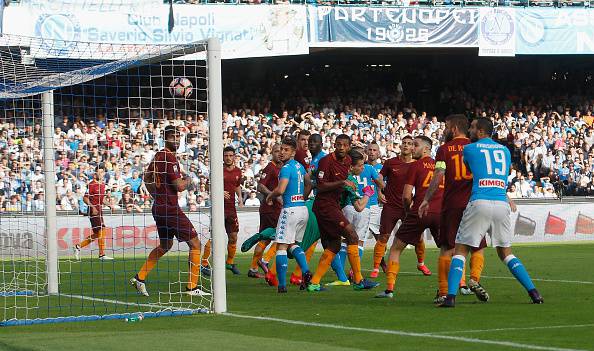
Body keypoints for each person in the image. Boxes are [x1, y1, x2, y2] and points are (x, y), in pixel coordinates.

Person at [440, 118, 543, 307]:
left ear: (480, 131)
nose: (470, 131)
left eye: (472, 128)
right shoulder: (504, 150)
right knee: (506, 253)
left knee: (460, 250)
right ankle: (534, 293)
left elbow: (471, 169)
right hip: (501, 202)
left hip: (480, 200)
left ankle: (450, 297)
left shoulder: (469, 149)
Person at [130, 125, 208, 297]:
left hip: (158, 207)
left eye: (179, 136)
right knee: (195, 244)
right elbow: (179, 186)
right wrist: (189, 179)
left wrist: (156, 195)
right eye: (173, 136)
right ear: (165, 138)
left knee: (166, 245)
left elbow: (147, 177)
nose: (177, 140)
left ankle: (140, 277)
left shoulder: (158, 156)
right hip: (170, 208)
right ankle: (192, 287)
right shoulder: (169, 158)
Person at [419, 114, 489, 304]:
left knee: (447, 248)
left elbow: (439, 174)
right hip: (474, 203)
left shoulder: (444, 149)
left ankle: (443, 291)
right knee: (478, 245)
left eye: (446, 126)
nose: (445, 130)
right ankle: (474, 279)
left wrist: (426, 199)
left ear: (454, 129)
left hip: (452, 205)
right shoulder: (477, 148)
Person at [306, 134, 378, 292]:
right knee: (352, 236)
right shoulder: (326, 161)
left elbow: (348, 184)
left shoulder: (347, 162)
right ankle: (358, 280)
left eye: (345, 145)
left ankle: (314, 283)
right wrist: (342, 183)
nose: (341, 148)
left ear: (349, 146)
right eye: (338, 144)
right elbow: (321, 185)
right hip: (325, 206)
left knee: (334, 244)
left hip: (334, 206)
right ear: (334, 145)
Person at [375, 136, 442, 299]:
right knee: (449, 250)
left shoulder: (415, 165)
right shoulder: (440, 166)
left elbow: (406, 196)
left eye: (416, 145)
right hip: (440, 212)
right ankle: (449, 289)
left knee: (396, 248)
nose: (412, 148)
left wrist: (408, 212)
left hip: (418, 211)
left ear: (426, 148)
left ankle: (389, 289)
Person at [371, 136, 431, 278]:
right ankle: (375, 268)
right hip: (391, 206)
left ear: (413, 147)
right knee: (383, 236)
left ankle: (421, 263)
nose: (405, 145)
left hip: (409, 206)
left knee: (419, 237)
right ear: (400, 146)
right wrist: (380, 191)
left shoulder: (417, 164)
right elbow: (378, 177)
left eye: (410, 144)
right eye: (404, 143)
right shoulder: (391, 163)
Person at [265, 137, 312, 293]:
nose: (281, 153)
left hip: (290, 210)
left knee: (281, 246)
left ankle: (282, 285)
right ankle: (305, 271)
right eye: (280, 149)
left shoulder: (285, 169)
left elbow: (281, 189)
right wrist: (302, 197)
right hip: (302, 209)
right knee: (293, 244)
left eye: (286, 150)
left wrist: (270, 196)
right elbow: (309, 183)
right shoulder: (299, 166)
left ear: (293, 152)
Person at [328, 149, 377, 286]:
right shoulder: (349, 180)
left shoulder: (338, 172)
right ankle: (352, 276)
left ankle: (342, 277)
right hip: (328, 210)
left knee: (338, 242)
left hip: (331, 209)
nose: (363, 168)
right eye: (360, 165)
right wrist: (368, 193)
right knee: (354, 241)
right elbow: (359, 207)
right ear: (351, 166)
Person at [248, 144, 282, 279]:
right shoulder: (270, 167)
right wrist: (273, 195)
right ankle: (264, 262)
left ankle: (254, 268)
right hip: (270, 209)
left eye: (282, 151)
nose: (279, 153)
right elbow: (260, 186)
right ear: (272, 154)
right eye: (276, 151)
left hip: (273, 209)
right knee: (280, 237)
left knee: (266, 239)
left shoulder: (280, 168)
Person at [74, 165, 113, 261]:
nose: (101, 174)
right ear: (95, 175)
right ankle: (102, 254)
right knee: (102, 230)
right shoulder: (91, 185)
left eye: (102, 172)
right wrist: (92, 207)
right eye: (99, 172)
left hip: (99, 211)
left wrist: (109, 205)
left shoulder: (103, 185)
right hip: (93, 211)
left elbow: (102, 198)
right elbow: (85, 198)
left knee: (97, 234)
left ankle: (78, 246)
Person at [222, 146, 243, 275]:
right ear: (223, 157)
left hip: (231, 208)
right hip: (219, 208)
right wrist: (220, 191)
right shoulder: (218, 170)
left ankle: (230, 262)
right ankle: (204, 264)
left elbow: (237, 185)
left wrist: (240, 197)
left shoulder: (238, 172)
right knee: (214, 236)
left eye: (230, 155)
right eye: (226, 156)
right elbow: (209, 186)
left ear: (234, 156)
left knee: (233, 236)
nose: (228, 158)